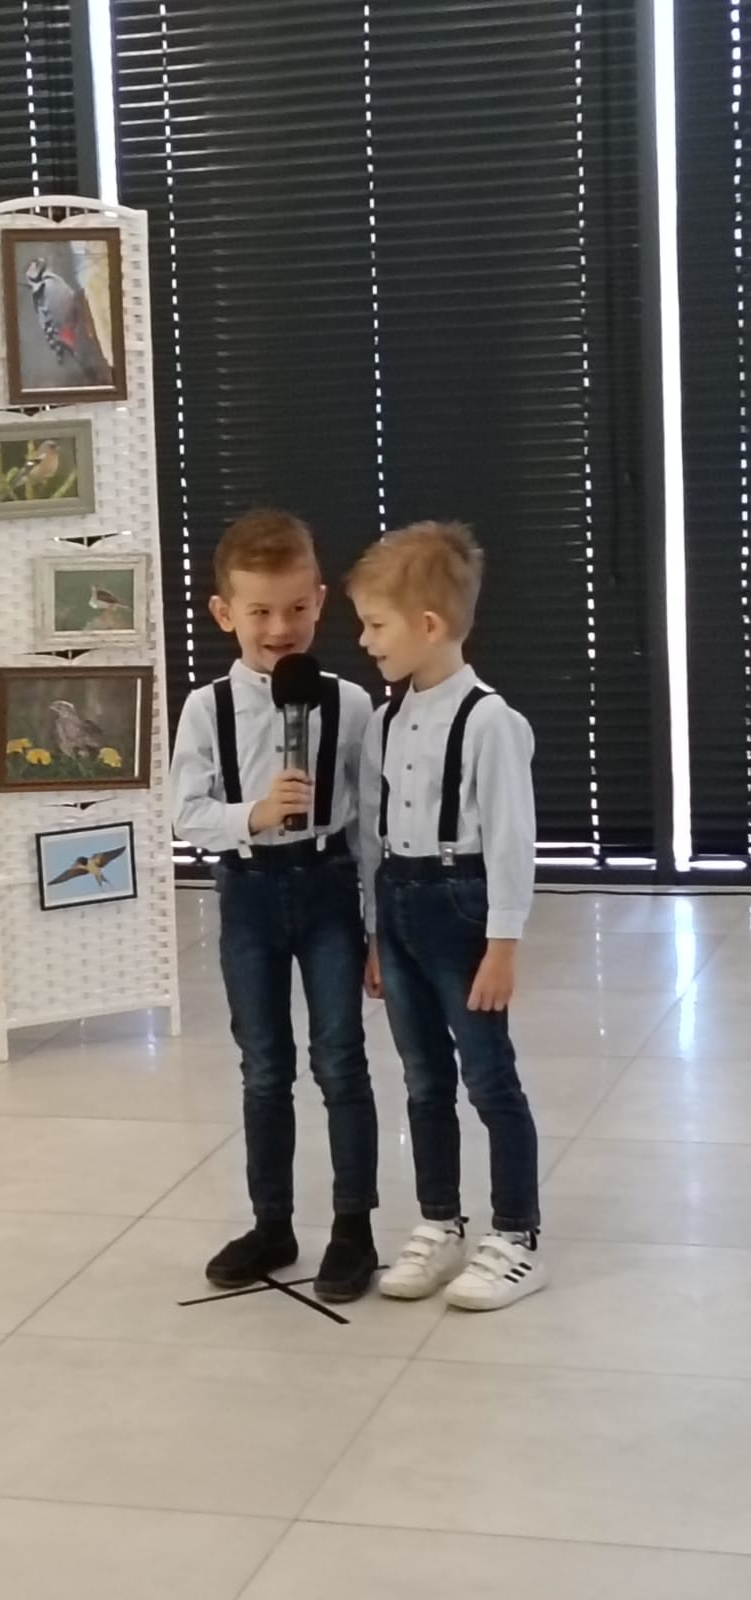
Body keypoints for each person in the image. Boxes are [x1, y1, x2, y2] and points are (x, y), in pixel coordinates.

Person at [171, 509, 379, 1303]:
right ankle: (272, 1223)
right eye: (259, 610)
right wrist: (252, 815)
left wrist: (377, 928)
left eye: (296, 607)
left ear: (320, 601)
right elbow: (186, 813)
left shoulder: (350, 705)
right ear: (225, 613)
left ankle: (353, 1227)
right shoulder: (207, 709)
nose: (280, 628)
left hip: (327, 888)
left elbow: (369, 826)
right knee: (264, 1066)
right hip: (250, 892)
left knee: (341, 1060)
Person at [348, 520, 545, 1311]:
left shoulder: (491, 721)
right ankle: (440, 1221)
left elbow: (512, 839)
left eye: (375, 625)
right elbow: (372, 833)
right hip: (398, 906)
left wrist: (503, 944)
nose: (364, 641)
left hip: (461, 909)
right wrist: (374, 930)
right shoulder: (386, 720)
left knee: (489, 1078)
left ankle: (517, 1236)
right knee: (424, 1078)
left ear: (428, 625)